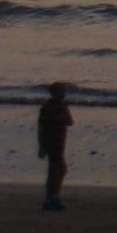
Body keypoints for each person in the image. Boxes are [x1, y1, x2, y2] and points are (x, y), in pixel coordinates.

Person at [37, 82, 73, 211]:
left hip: (58, 141)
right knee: (57, 169)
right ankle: (52, 198)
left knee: (57, 169)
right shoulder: (50, 107)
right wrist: (42, 145)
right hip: (53, 142)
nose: (64, 94)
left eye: (64, 91)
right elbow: (42, 127)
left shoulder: (55, 106)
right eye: (61, 91)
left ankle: (52, 197)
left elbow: (69, 121)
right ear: (54, 93)